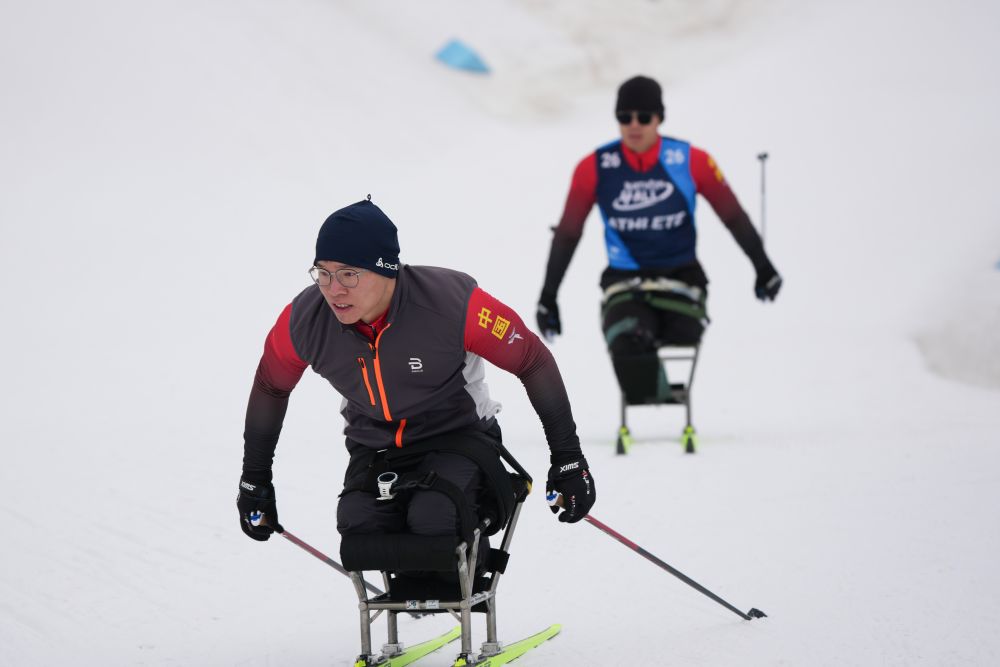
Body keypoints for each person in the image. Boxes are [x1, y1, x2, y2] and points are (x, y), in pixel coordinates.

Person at [237, 197, 595, 550]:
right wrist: (255, 479)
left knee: (436, 516)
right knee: (358, 526)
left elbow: (531, 359)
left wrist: (568, 458)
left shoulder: (454, 305)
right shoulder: (304, 319)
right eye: (324, 273)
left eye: (349, 273)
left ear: (386, 270)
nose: (334, 290)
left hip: (460, 436)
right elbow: (271, 385)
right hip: (375, 446)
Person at [536, 75, 782, 405]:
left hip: (682, 279)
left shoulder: (692, 161)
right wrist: (548, 296)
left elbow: (733, 217)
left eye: (644, 117)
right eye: (624, 117)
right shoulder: (594, 168)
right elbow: (568, 233)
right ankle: (651, 394)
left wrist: (763, 268)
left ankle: (657, 390)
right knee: (627, 339)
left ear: (660, 118)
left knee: (681, 337)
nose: (634, 125)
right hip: (625, 283)